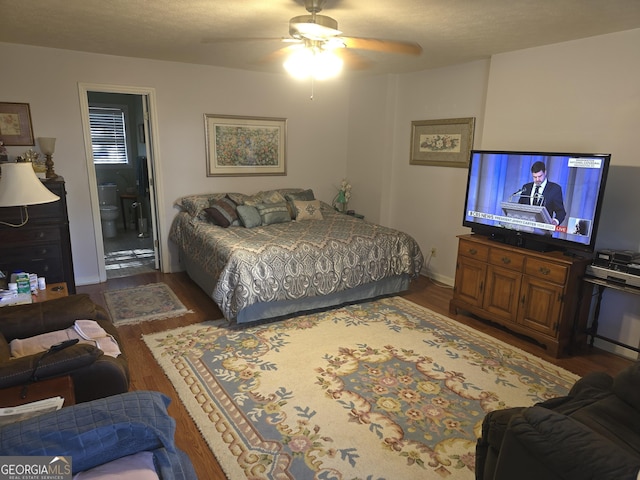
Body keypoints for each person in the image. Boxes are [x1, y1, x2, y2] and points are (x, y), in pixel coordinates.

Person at [518, 161, 566, 226]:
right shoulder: (526, 187)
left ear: (545, 172)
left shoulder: (555, 189)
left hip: (544, 231)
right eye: (534, 177)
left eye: (540, 176)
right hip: (524, 229)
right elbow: (519, 207)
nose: (537, 179)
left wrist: (555, 221)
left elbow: (561, 212)